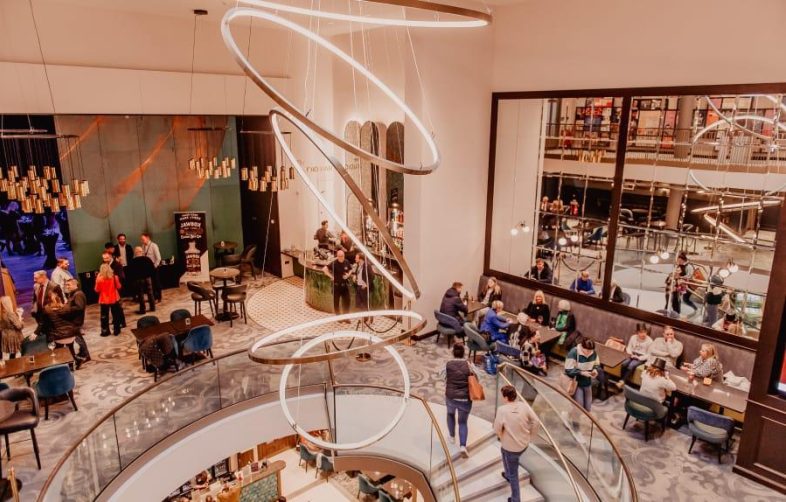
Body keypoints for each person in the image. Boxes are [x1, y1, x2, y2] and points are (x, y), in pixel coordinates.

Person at [493, 385, 538, 502]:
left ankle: (515, 498)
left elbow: (497, 428)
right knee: (503, 451)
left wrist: (502, 436)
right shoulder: (524, 406)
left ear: (506, 397)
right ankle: (507, 474)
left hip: (511, 448)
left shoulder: (502, 410)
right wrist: (531, 436)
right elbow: (535, 421)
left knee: (514, 474)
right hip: (523, 444)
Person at [444, 343, 476, 457]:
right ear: (464, 353)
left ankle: (452, 437)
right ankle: (463, 446)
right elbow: (478, 377)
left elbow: (441, 376)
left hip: (451, 397)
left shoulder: (448, 364)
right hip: (465, 399)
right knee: (463, 422)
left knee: (450, 414)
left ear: (453, 352)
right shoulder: (469, 365)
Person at [61, 278, 91, 364]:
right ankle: (83, 353)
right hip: (74, 320)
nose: (67, 286)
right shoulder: (73, 294)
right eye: (66, 285)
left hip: (76, 321)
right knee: (78, 338)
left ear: (75, 285)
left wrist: (67, 308)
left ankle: (86, 355)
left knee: (78, 338)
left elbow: (79, 307)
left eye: (69, 285)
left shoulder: (78, 294)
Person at [565, 339, 599, 411]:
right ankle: (573, 420)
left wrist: (595, 370)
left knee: (587, 407)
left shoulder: (593, 353)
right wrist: (582, 372)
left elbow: (596, 364)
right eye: (587, 350)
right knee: (579, 408)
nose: (589, 353)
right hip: (576, 383)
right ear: (582, 347)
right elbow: (568, 369)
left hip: (587, 383)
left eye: (591, 351)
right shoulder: (574, 353)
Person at [616, 323, 653, 388]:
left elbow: (648, 355)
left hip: (641, 357)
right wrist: (631, 354)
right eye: (641, 332)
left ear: (647, 332)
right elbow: (629, 347)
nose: (643, 334)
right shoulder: (633, 337)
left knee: (631, 365)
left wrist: (639, 358)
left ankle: (622, 381)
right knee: (624, 364)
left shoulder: (649, 341)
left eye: (645, 332)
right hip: (632, 354)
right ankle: (621, 381)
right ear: (637, 332)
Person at [95, 263, 123, 336]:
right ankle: (117, 330)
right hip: (114, 298)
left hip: (104, 299)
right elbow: (119, 286)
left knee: (104, 316)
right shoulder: (114, 277)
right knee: (116, 315)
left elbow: (97, 290)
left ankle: (105, 331)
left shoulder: (99, 279)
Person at [32, 270, 63, 335]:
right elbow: (35, 299)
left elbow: (60, 302)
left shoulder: (54, 286)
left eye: (36, 278)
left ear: (43, 277)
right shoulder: (36, 286)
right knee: (44, 334)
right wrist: (34, 310)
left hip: (51, 316)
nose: (34, 280)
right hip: (40, 316)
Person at [323, 250, 352, 318]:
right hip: (336, 286)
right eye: (340, 256)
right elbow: (324, 269)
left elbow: (350, 269)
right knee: (336, 302)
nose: (341, 257)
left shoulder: (346, 262)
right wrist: (331, 276)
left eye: (342, 256)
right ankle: (338, 317)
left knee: (347, 301)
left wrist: (348, 275)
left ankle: (346, 317)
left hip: (345, 286)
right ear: (337, 256)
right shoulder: (334, 263)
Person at [128, 246, 156, 314]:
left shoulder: (132, 261)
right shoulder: (147, 259)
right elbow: (152, 269)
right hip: (148, 278)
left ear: (135, 252)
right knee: (150, 293)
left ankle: (142, 310)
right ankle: (152, 307)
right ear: (142, 252)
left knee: (140, 294)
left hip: (138, 280)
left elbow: (131, 272)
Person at [141, 232, 162, 302]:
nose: (142, 241)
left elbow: (158, 258)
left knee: (156, 282)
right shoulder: (143, 246)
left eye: (143, 239)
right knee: (150, 284)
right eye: (141, 240)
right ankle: (153, 297)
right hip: (147, 268)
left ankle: (158, 297)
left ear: (148, 238)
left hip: (154, 267)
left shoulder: (154, 245)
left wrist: (155, 266)